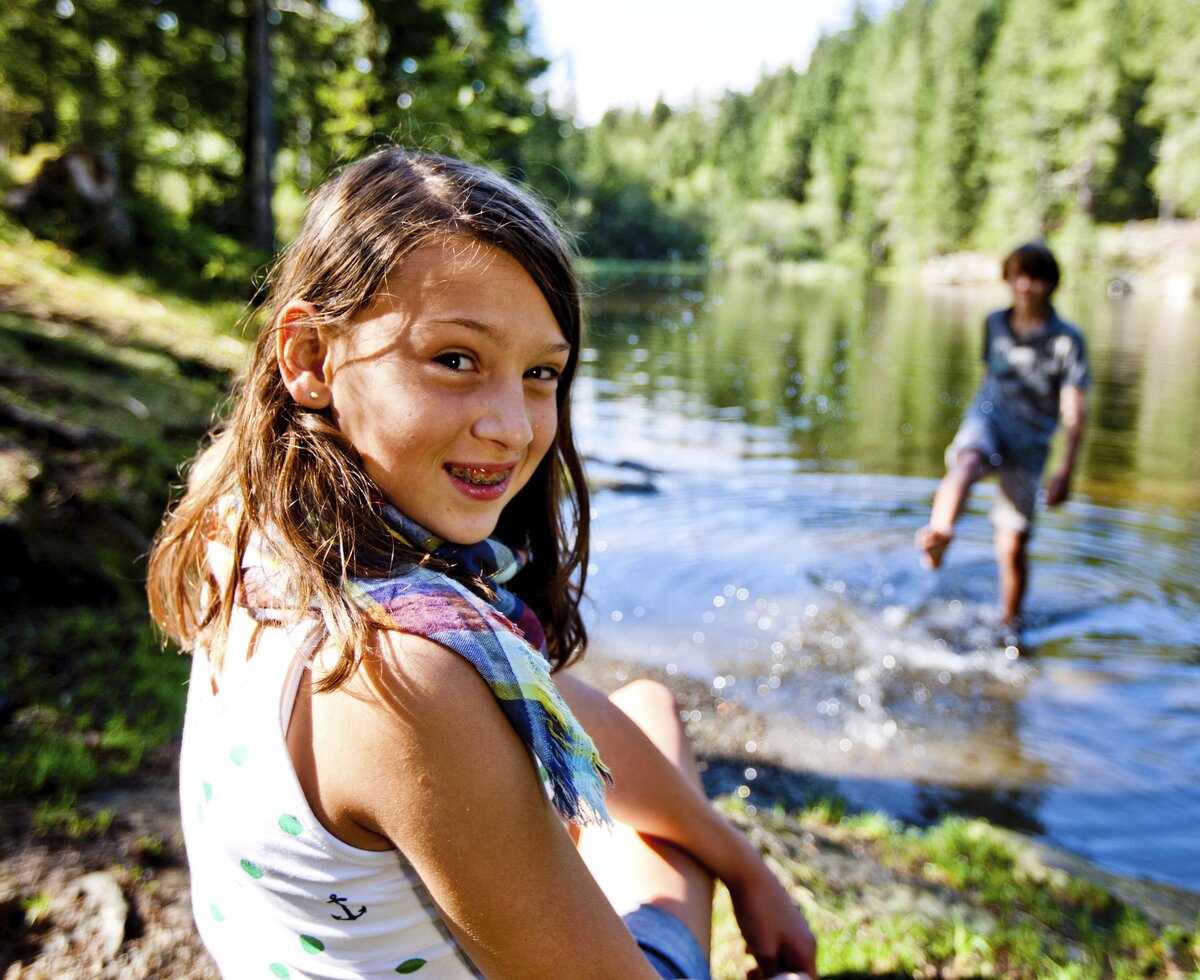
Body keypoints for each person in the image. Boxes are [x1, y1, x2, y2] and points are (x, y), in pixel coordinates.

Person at [148, 147, 818, 980]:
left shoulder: (246, 532)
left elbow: (564, 702)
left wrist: (746, 867)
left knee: (642, 706)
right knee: (650, 735)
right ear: (311, 358)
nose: (511, 426)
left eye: (541, 373)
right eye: (455, 359)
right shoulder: (404, 675)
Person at [916, 241, 1089, 632]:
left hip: (1029, 443)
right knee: (967, 461)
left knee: (1011, 548)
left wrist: (1066, 469)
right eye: (1017, 275)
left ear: (1050, 284)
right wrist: (976, 416)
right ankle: (939, 534)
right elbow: (987, 376)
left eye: (1034, 277)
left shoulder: (1066, 341)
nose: (1025, 285)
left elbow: (1075, 409)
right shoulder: (994, 323)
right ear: (1008, 278)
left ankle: (1009, 629)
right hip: (988, 418)